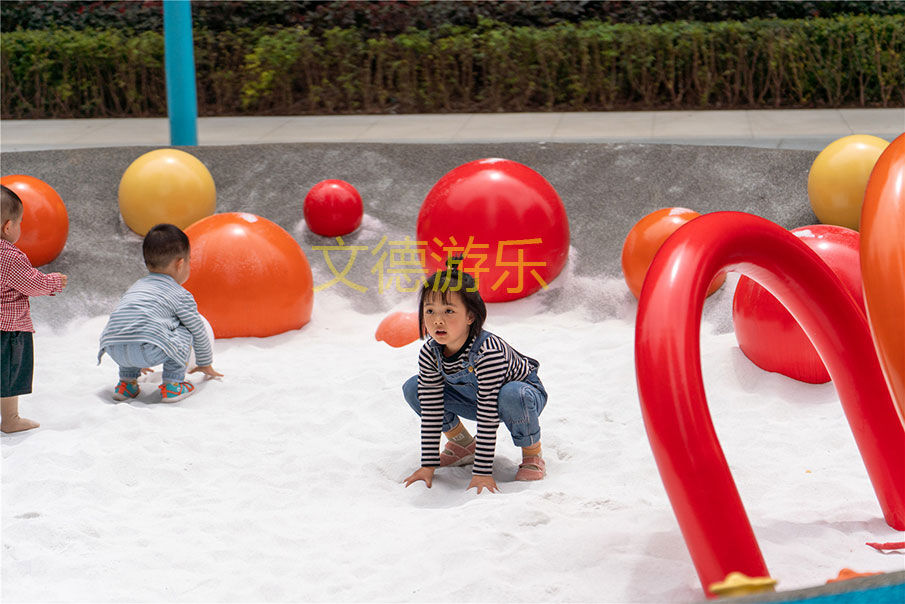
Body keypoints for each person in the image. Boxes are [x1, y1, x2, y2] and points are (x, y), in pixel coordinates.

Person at [402, 260, 548, 494]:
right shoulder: (430, 352)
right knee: (414, 388)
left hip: (518, 399)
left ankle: (532, 453)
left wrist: (482, 474)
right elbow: (430, 410)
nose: (437, 320)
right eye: (430, 311)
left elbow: (488, 414)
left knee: (512, 394)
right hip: (471, 397)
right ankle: (463, 445)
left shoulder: (487, 352)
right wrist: (427, 466)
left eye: (449, 311)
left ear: (470, 316)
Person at [98, 223, 222, 403]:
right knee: (186, 326)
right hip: (149, 349)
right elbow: (198, 330)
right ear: (180, 264)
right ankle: (173, 385)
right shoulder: (180, 294)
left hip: (113, 348)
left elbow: (130, 323)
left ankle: (126, 384)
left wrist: (135, 359)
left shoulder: (136, 288)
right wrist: (204, 363)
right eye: (189, 260)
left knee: (132, 325)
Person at [1, 184, 68, 433]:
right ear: (8, 226)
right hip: (7, 330)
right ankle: (9, 419)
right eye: (20, 223)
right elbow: (30, 283)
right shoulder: (10, 256)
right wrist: (54, 282)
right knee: (8, 375)